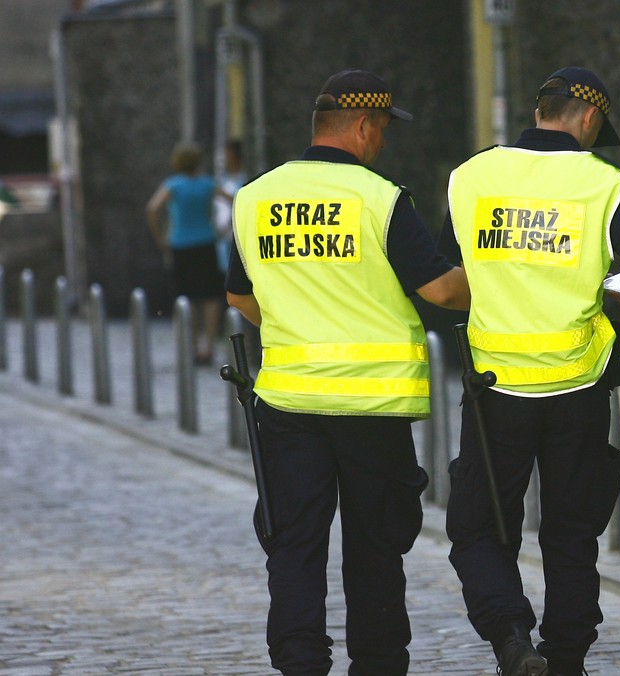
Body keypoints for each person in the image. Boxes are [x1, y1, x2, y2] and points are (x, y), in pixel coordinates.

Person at [225, 69, 470, 676]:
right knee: (376, 548)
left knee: (293, 546)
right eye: (383, 129)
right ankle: (379, 665)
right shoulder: (380, 198)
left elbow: (240, 299)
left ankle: (300, 662)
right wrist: (500, 279)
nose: (383, 143)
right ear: (364, 126)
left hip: (287, 407)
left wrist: (294, 323)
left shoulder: (256, 196)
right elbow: (441, 289)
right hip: (373, 408)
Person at [440, 66, 620, 676]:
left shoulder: (472, 176)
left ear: (541, 110)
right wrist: (618, 289)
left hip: (497, 388)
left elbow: (448, 284)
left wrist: (496, 290)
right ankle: (566, 657)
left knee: (481, 526)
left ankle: (512, 637)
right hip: (578, 385)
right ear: (590, 118)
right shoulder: (603, 181)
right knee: (570, 531)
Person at [145, 142, 230, 363]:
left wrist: (161, 239)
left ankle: (192, 346)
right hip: (206, 242)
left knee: (188, 297)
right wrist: (224, 228)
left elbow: (153, 209)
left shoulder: (173, 185)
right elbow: (235, 201)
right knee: (211, 296)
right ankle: (209, 346)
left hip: (181, 245)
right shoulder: (208, 184)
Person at [214, 139, 247, 275]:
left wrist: (229, 224)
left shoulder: (244, 179)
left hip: (235, 233)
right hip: (220, 236)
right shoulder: (221, 180)